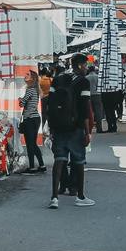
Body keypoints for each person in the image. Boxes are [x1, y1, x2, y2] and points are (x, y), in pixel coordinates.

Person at [42, 56, 95, 208]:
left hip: (58, 128)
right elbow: (85, 109)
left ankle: (54, 197)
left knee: (59, 161)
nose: (86, 67)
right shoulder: (83, 82)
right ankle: (80, 195)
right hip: (76, 128)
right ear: (79, 65)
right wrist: (87, 132)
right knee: (78, 162)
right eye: (85, 65)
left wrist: (51, 128)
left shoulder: (58, 79)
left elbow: (50, 104)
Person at [19, 70, 46, 175]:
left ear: (32, 78)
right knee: (33, 143)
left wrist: (20, 100)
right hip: (35, 118)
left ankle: (31, 167)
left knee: (30, 144)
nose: (25, 76)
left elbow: (22, 103)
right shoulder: (35, 90)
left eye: (27, 75)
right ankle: (41, 164)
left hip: (29, 119)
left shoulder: (30, 90)